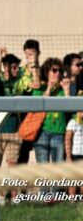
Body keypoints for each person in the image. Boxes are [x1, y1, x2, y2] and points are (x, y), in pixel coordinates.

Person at [32, 58, 69, 194]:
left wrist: (66, 91)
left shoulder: (62, 90)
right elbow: (38, 106)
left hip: (58, 132)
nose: (57, 73)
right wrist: (48, 87)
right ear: (46, 72)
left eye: (59, 71)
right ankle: (44, 196)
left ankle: (56, 196)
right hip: (41, 133)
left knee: (58, 166)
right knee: (43, 167)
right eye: (54, 70)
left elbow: (69, 110)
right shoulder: (39, 88)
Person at [0, 53, 23, 202]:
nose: (16, 70)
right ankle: (0, 196)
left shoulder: (20, 82)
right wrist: (0, 60)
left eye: (17, 67)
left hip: (14, 131)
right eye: (13, 67)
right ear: (6, 67)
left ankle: (14, 196)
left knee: (13, 166)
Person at [14, 39, 41, 165]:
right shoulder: (22, 73)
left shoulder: (46, 70)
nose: (29, 57)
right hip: (26, 117)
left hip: (42, 116)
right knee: (22, 153)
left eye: (32, 54)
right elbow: (36, 84)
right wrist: (34, 67)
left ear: (38, 54)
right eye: (27, 54)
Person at [65, 105, 83, 196]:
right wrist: (68, 156)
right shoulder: (73, 122)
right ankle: (72, 198)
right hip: (75, 154)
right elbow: (68, 139)